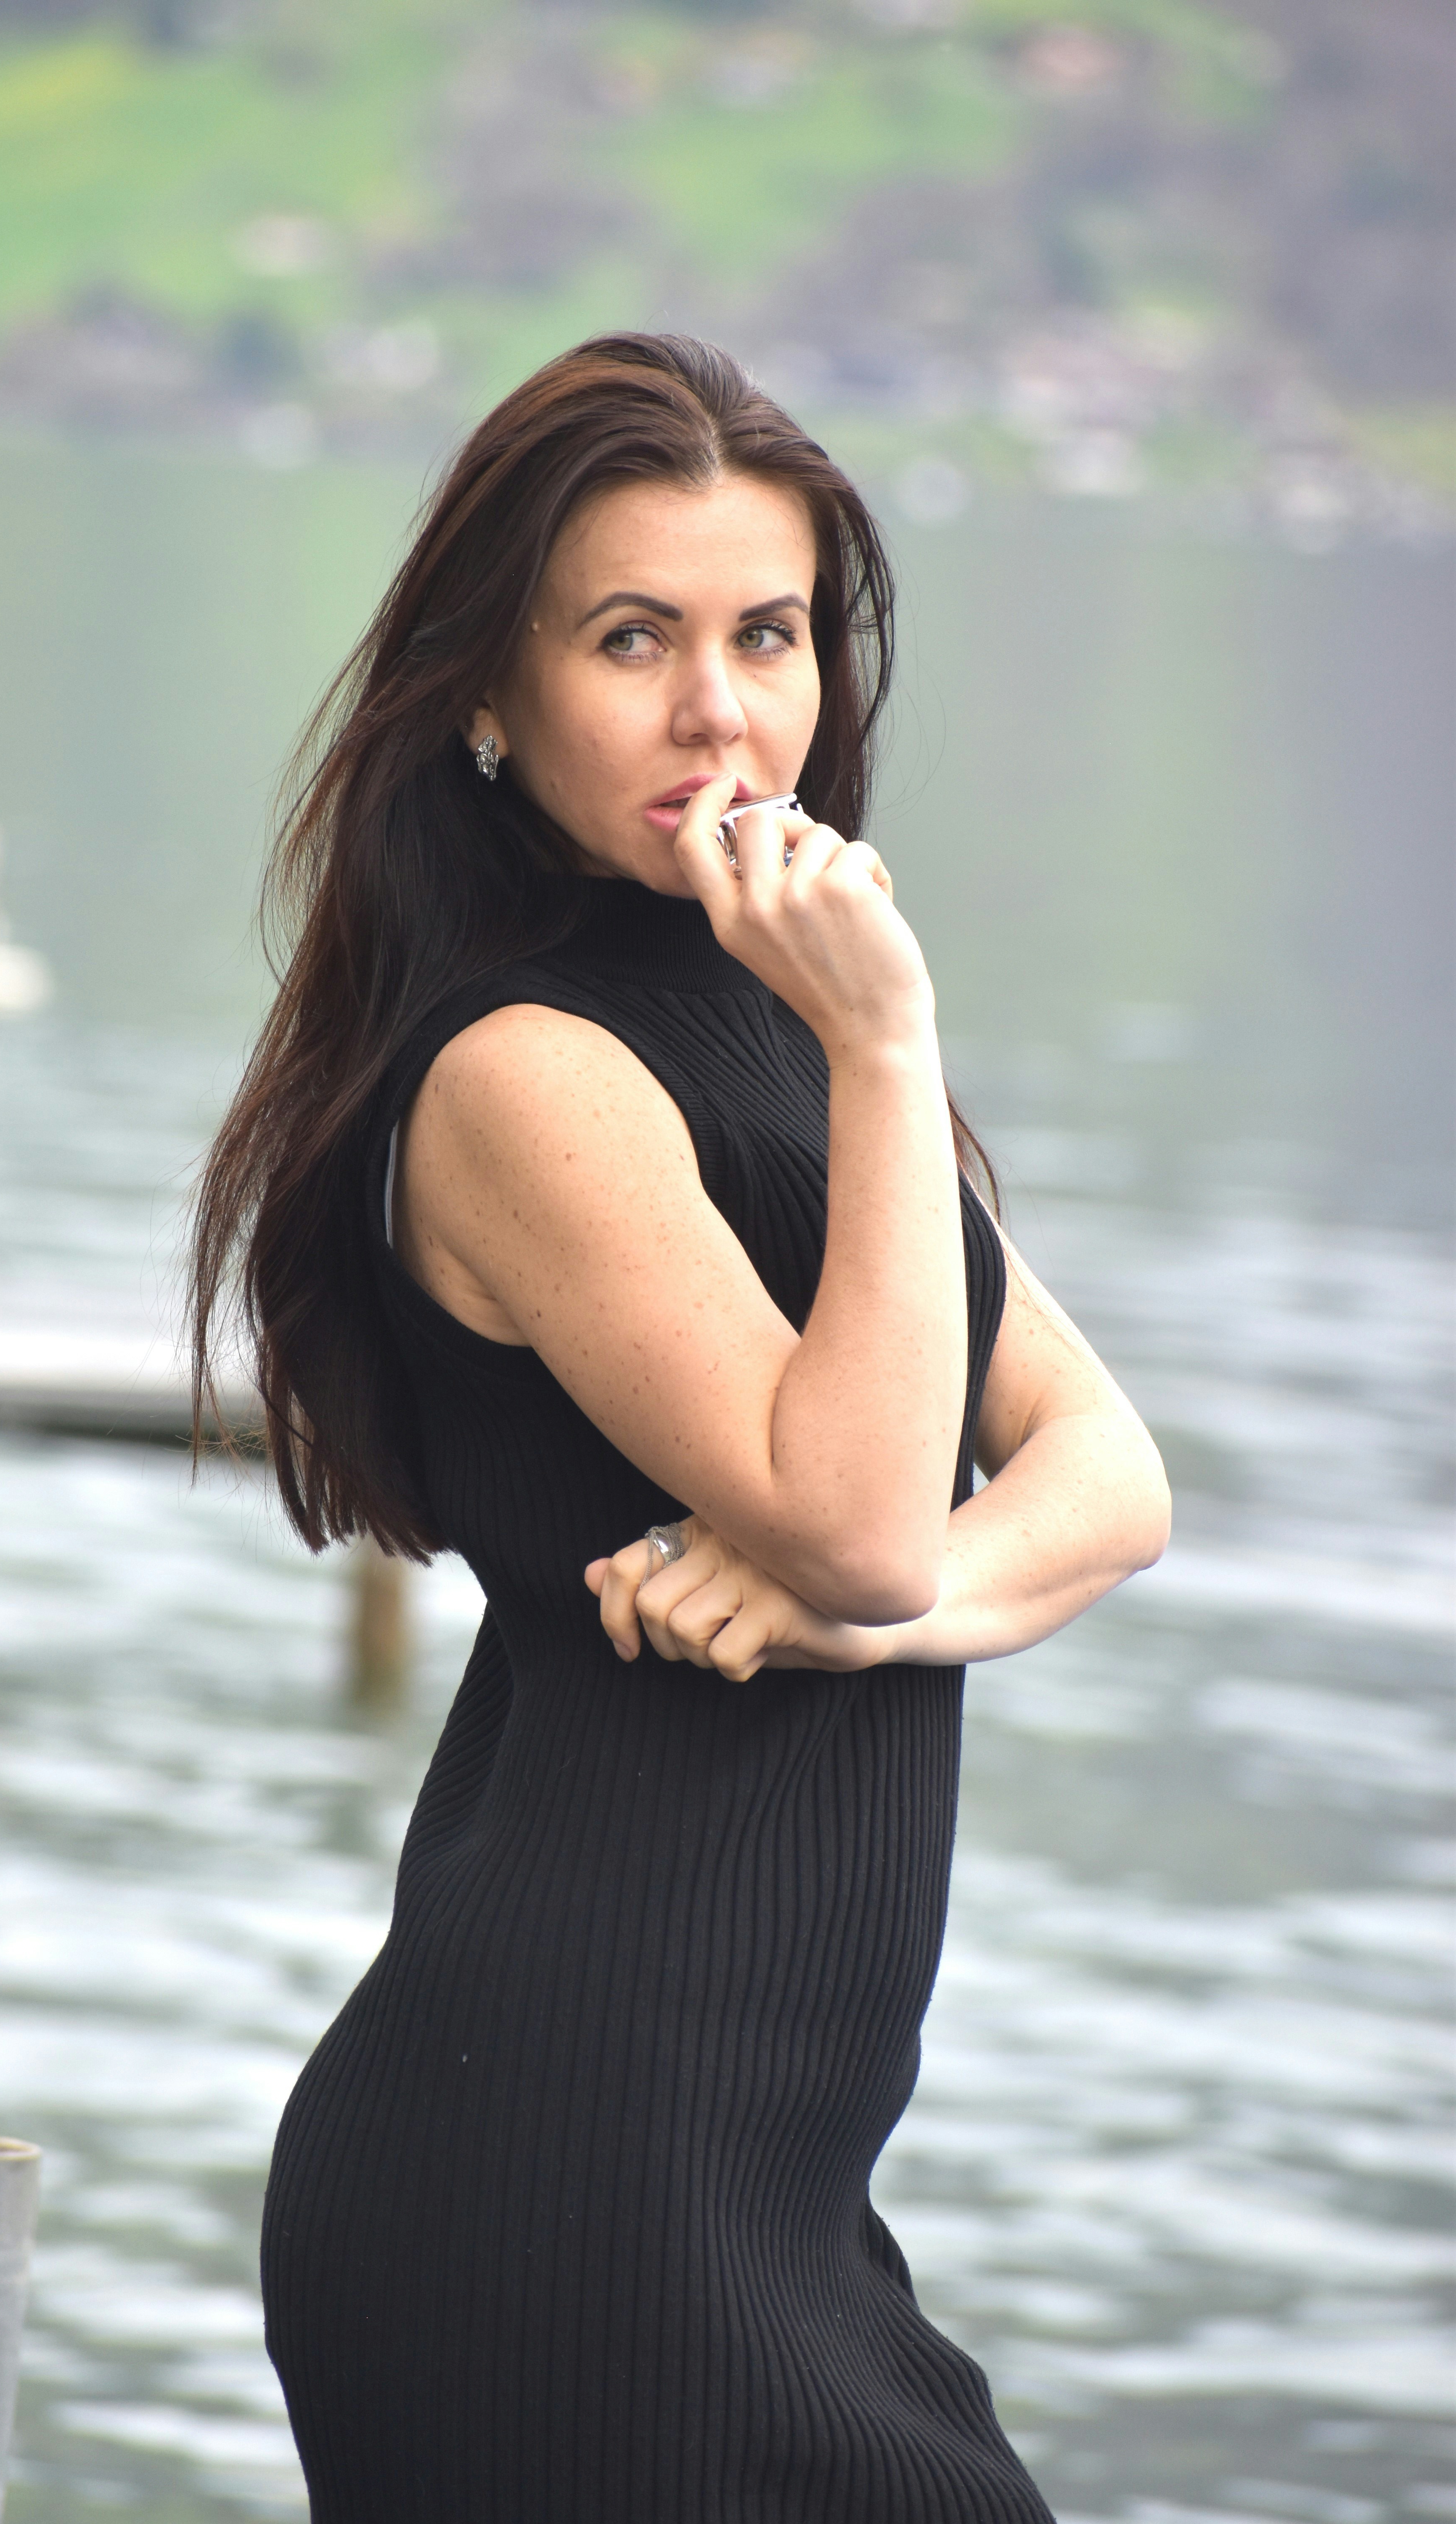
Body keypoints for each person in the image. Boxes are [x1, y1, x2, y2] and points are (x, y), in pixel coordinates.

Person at [191, 333, 1170, 2522]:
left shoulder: (770, 1016)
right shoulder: (526, 1077)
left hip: (763, 2206)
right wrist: (894, 1049)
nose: (723, 709)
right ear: (485, 693)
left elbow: (1108, 1480)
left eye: (770, 633)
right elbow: (854, 1514)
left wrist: (883, 1632)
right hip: (564, 2178)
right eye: (633, 638)